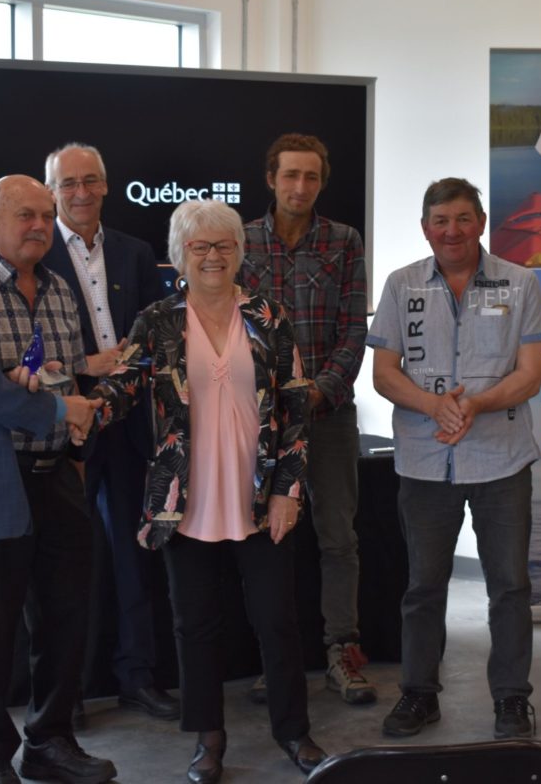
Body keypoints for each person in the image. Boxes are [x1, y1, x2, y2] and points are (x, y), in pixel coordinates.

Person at [90, 199, 327, 782]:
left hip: (259, 495)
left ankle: (293, 731)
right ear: (180, 255)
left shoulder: (269, 317)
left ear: (240, 253)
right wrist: (76, 407)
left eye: (224, 245)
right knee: (193, 626)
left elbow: (297, 412)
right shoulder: (158, 320)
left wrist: (287, 491)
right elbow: (122, 387)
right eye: (200, 246)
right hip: (185, 500)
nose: (213, 256)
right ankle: (208, 738)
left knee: (278, 620)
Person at [368, 177, 541, 739]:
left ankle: (512, 700)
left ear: (482, 222)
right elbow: (383, 372)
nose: (452, 230)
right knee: (423, 585)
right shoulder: (401, 286)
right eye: (441, 220)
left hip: (502, 461)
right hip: (425, 462)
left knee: (510, 586)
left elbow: (530, 374)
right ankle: (419, 695)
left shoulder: (521, 285)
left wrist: (473, 404)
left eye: (463, 218)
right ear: (426, 227)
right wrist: (433, 406)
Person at [0, 174, 116, 784]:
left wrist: (75, 431)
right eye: (25, 215)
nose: (39, 227)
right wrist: (41, 397)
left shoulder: (59, 288)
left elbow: (69, 376)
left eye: (47, 217)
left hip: (59, 474)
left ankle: (51, 741)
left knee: (65, 614)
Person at [237, 133, 374, 705]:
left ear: (321, 181)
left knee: (338, 537)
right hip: (261, 419)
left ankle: (342, 651)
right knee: (271, 536)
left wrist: (321, 391)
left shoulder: (343, 241)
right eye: (290, 175)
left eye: (311, 177)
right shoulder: (238, 240)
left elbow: (354, 328)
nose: (300, 187)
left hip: (328, 413)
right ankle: (279, 660)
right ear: (271, 177)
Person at [42, 142, 176, 722]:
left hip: (125, 426)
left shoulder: (135, 251)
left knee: (132, 557)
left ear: (105, 185)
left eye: (90, 180)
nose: (80, 192)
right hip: (63, 427)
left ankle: (136, 677)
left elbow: (158, 334)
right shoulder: (33, 250)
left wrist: (127, 368)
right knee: (65, 567)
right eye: (68, 182)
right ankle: (65, 693)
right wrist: (83, 367)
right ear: (52, 191)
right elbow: (23, 346)